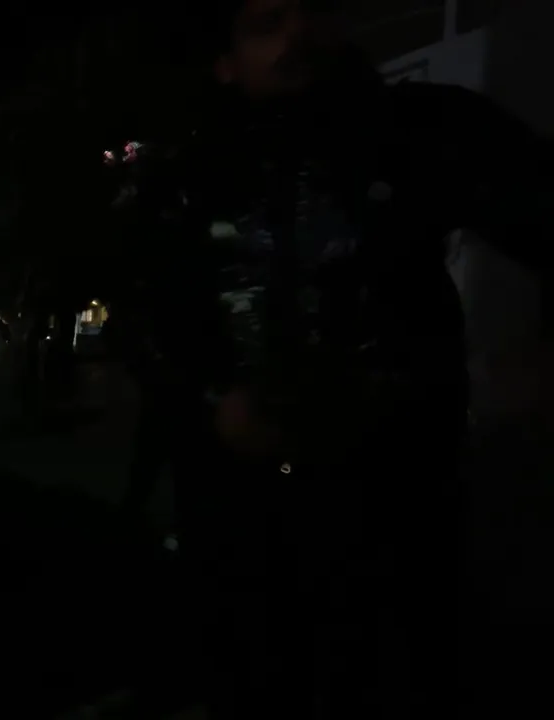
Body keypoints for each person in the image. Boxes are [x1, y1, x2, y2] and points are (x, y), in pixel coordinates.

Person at [126, 1, 552, 717]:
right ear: (224, 62)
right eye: (266, 22)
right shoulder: (188, 174)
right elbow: (149, 310)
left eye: (311, 10)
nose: (298, 33)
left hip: (394, 493)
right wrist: (213, 399)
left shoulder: (419, 130)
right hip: (238, 506)